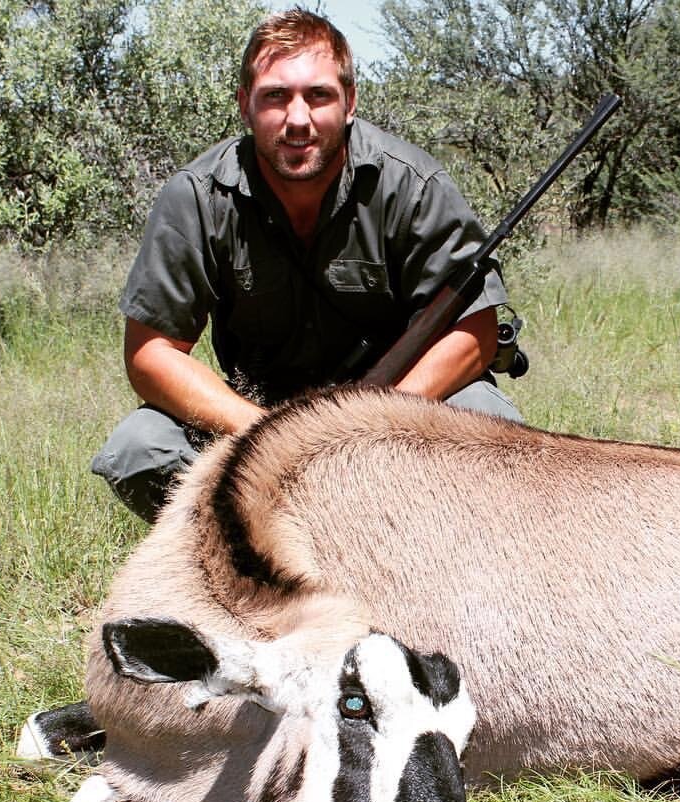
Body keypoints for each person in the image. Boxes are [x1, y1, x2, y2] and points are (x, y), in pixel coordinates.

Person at [92, 6, 522, 523]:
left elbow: (475, 329)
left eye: (319, 95)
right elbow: (151, 353)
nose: (299, 119)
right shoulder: (195, 197)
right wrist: (270, 434)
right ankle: (248, 575)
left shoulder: (413, 184)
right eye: (276, 96)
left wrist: (374, 428)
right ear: (246, 106)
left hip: (398, 415)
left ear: (350, 103)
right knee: (140, 447)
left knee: (494, 422)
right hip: (257, 420)